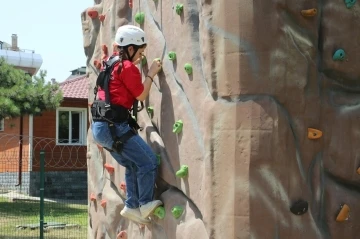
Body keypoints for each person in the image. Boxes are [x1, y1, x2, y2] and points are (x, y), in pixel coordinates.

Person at [91, 24, 163, 225]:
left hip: (100, 127)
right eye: (140, 51)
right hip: (113, 126)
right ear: (130, 49)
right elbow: (140, 94)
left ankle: (132, 206)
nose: (141, 56)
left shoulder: (111, 62)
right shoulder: (127, 67)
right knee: (148, 161)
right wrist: (152, 73)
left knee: (133, 163)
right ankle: (145, 202)